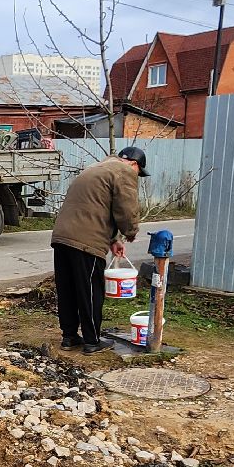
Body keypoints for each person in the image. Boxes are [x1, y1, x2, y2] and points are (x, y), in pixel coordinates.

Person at [50, 145, 147, 354]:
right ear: (134, 164)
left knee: (67, 289)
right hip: (87, 240)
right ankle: (92, 341)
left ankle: (69, 337)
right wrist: (130, 232)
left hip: (62, 237)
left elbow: (95, 207)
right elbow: (126, 208)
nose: (137, 175)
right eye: (139, 171)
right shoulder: (124, 172)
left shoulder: (96, 168)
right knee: (90, 290)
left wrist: (114, 239)